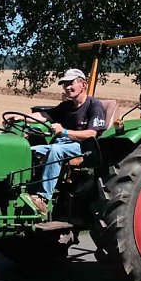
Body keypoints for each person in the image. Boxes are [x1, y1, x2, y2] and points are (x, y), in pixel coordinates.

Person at [30, 68, 106, 214]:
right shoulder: (66, 106)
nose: (67, 87)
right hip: (63, 144)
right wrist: (21, 118)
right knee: (32, 151)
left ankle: (43, 198)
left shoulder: (94, 106)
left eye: (70, 83)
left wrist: (64, 131)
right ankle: (27, 189)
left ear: (83, 84)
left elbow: (92, 134)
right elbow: (45, 115)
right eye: (64, 84)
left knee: (56, 150)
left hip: (84, 147)